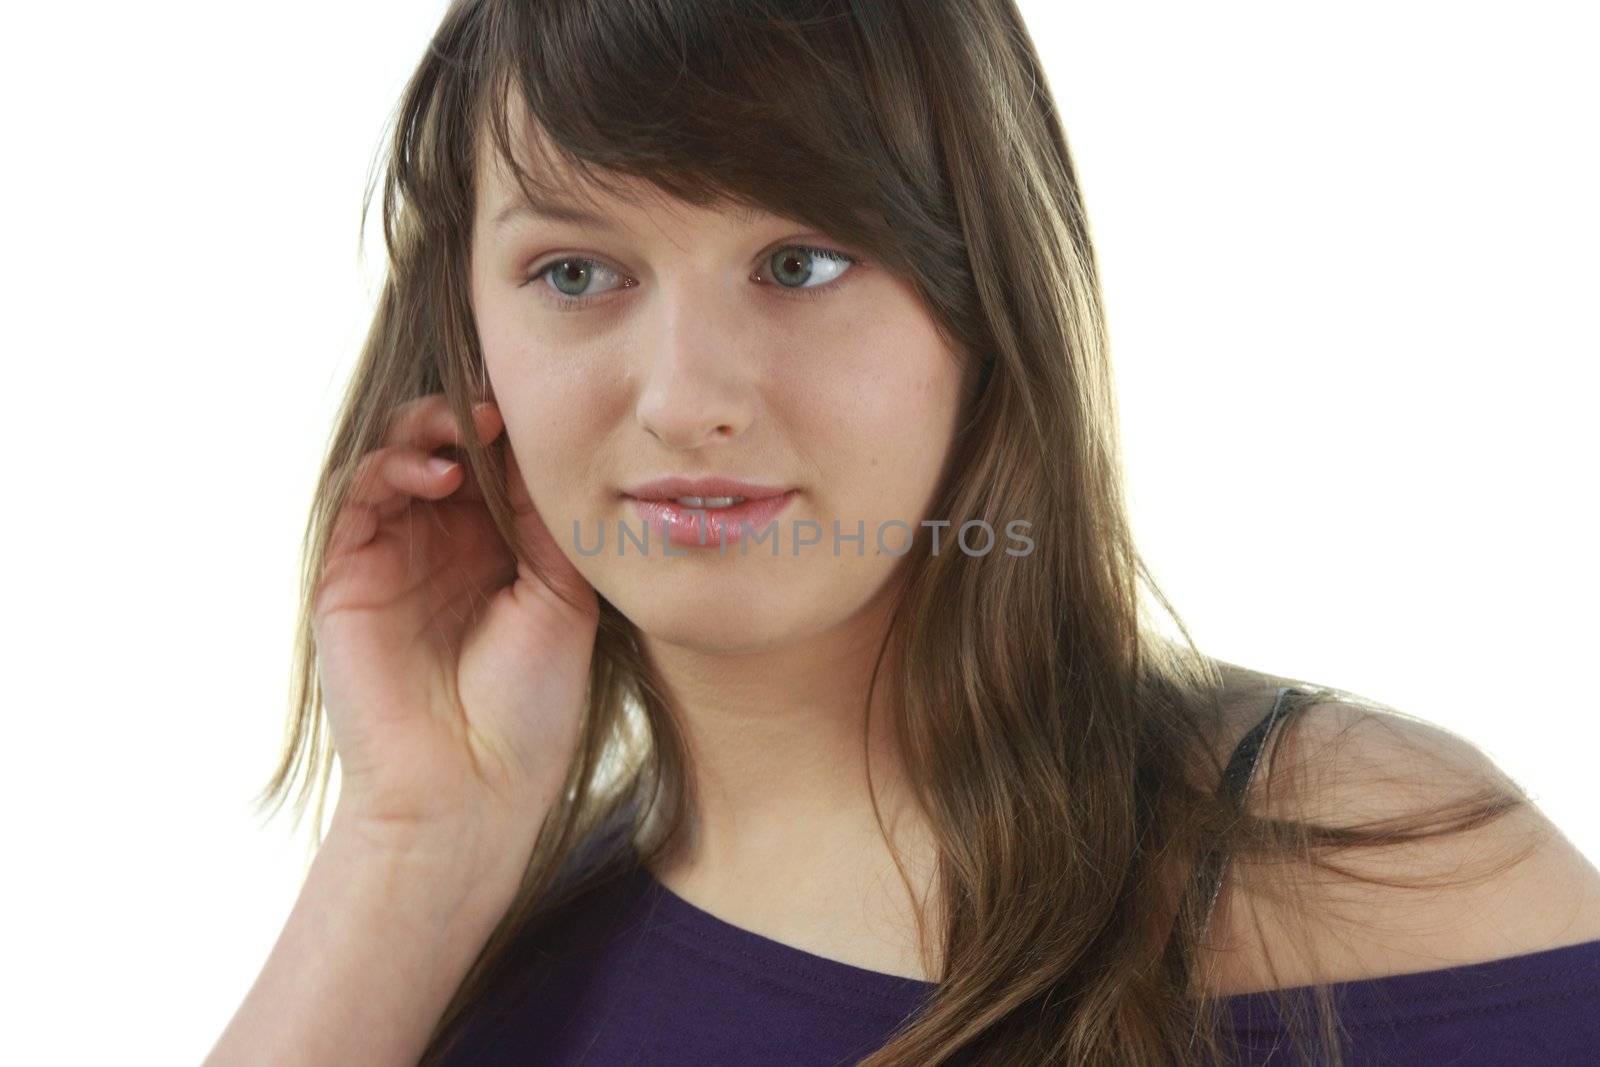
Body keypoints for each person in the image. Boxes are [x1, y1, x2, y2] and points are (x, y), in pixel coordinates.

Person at [204, 1, 1600, 1064]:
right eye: (574, 271)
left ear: (985, 302)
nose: (688, 398)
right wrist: (415, 836)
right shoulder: (469, 910)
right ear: (468, 334)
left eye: (802, 261)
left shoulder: (1344, 859)